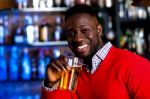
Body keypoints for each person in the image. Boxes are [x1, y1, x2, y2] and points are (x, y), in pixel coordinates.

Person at [41, 4, 150, 99]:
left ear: (99, 30)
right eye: (71, 33)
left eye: (84, 30)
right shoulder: (70, 71)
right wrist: (51, 84)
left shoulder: (135, 65)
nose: (77, 39)